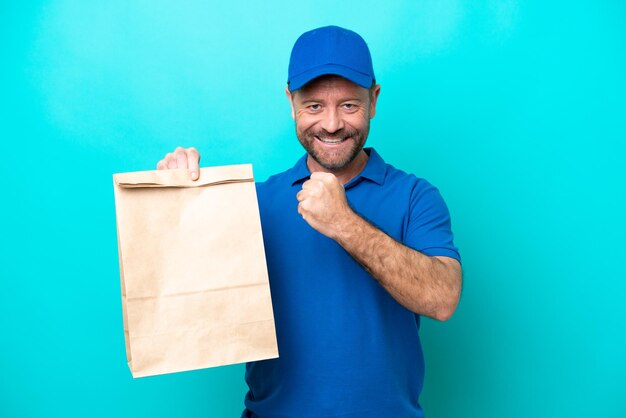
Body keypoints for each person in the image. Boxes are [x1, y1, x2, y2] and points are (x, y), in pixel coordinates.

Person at [157, 25, 462, 418]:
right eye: (314, 106)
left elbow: (442, 300)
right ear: (290, 102)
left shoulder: (416, 197)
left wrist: (345, 224)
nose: (332, 124)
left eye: (349, 105)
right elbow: (192, 310)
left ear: (374, 100)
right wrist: (175, 203)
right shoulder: (257, 201)